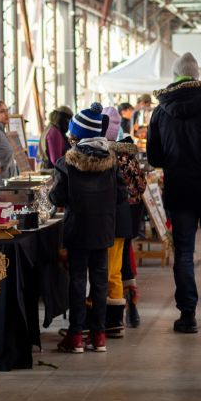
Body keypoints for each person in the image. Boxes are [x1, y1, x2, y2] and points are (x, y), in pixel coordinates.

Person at [146, 52, 201, 333]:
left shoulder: (160, 111)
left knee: (184, 253)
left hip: (178, 189)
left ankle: (187, 315)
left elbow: (154, 157)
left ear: (175, 77)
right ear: (197, 76)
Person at [50, 105, 126, 354]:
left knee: (77, 281)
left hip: (77, 230)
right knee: (100, 282)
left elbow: (57, 197)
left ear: (77, 134)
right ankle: (99, 335)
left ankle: (75, 336)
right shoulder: (111, 162)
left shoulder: (66, 163)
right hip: (103, 229)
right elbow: (121, 195)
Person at [105, 107, 146, 338]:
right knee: (125, 262)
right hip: (129, 217)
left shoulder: (100, 154)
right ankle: (131, 307)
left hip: (107, 219)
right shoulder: (127, 154)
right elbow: (141, 186)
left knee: (109, 268)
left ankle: (108, 318)